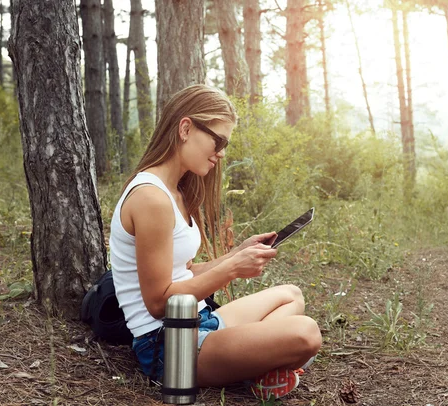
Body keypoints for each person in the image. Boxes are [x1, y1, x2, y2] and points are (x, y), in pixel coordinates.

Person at [109, 84, 322, 400]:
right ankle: (262, 365)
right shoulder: (151, 199)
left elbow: (184, 272)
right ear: (185, 128)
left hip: (200, 320)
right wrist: (232, 270)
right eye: (218, 140)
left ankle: (258, 365)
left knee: (291, 296)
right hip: (169, 344)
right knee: (306, 334)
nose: (221, 152)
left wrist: (236, 254)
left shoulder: (175, 191)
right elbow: (158, 303)